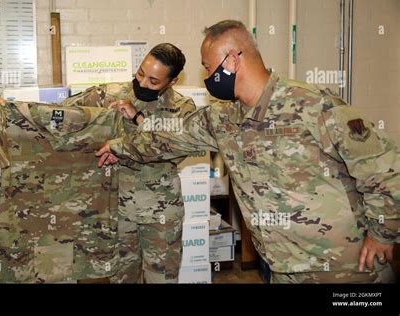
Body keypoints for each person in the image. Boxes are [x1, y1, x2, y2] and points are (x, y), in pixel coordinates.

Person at [97, 20, 399, 283]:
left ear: (231, 61)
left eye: (207, 67)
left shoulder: (313, 105)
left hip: (344, 268)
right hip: (281, 268)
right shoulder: (222, 118)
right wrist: (119, 147)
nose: (205, 76)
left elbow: (385, 169)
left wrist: (383, 233)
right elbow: (168, 138)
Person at [63, 43, 196, 283]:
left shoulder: (183, 109)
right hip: (118, 211)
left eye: (153, 81)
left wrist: (138, 118)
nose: (143, 83)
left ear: (173, 81)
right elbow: (61, 114)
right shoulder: (108, 94)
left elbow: (170, 149)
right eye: (141, 73)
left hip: (161, 215)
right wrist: (15, 110)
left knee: (163, 279)